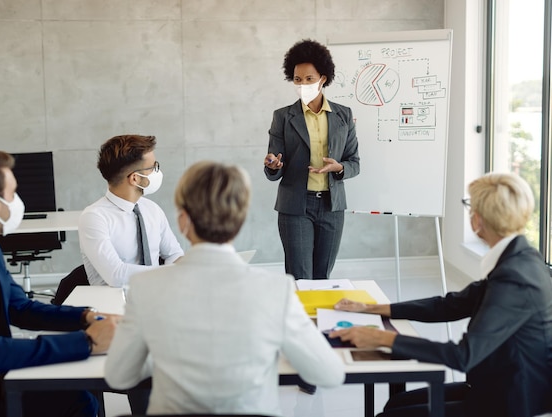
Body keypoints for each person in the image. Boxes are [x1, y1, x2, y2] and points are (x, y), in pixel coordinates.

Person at [105, 161, 345, 415]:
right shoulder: (276, 289)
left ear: (183, 220)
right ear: (240, 220)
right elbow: (329, 374)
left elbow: (119, 376)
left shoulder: (145, 287)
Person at [330, 172, 552, 417]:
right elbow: (451, 305)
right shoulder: (519, 258)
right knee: (395, 405)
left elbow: (463, 356)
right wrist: (372, 308)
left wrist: (381, 339)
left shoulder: (515, 278)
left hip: (511, 401)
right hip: (494, 383)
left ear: (478, 219)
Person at [0, 150, 118, 417]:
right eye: (13, 193)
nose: (18, 202)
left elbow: (20, 308)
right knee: (77, 400)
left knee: (80, 398)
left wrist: (86, 316)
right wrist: (86, 343)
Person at [264, 39, 360, 281]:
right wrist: (273, 165)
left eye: (309, 79)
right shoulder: (283, 117)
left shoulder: (343, 115)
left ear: (323, 79)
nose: (302, 84)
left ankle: (319, 320)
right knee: (300, 276)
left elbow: (354, 162)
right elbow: (273, 167)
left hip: (332, 206)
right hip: (296, 207)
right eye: (297, 79)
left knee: (322, 277)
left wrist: (338, 168)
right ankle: (300, 320)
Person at [79, 134, 183, 287]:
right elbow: (116, 275)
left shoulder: (152, 209)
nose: (157, 172)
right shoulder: (94, 217)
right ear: (135, 178)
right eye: (154, 167)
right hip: (114, 304)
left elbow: (174, 254)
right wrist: (166, 274)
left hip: (157, 297)